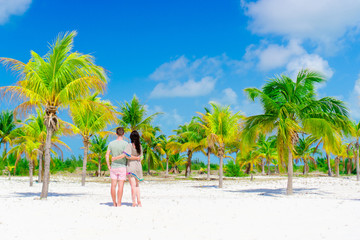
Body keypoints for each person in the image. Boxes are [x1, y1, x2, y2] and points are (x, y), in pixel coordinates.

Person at [105, 127, 128, 207]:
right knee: (120, 185)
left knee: (113, 185)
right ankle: (119, 203)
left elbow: (107, 155)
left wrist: (108, 165)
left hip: (113, 167)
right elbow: (125, 154)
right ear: (123, 134)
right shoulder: (126, 144)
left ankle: (114, 203)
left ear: (116, 134)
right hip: (122, 167)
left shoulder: (111, 143)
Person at [124, 130, 143, 207]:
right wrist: (137, 158)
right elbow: (141, 157)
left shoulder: (129, 145)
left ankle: (134, 202)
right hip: (138, 167)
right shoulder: (140, 146)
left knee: (132, 186)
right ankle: (139, 201)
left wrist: (134, 157)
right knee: (137, 185)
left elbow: (127, 156)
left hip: (131, 167)